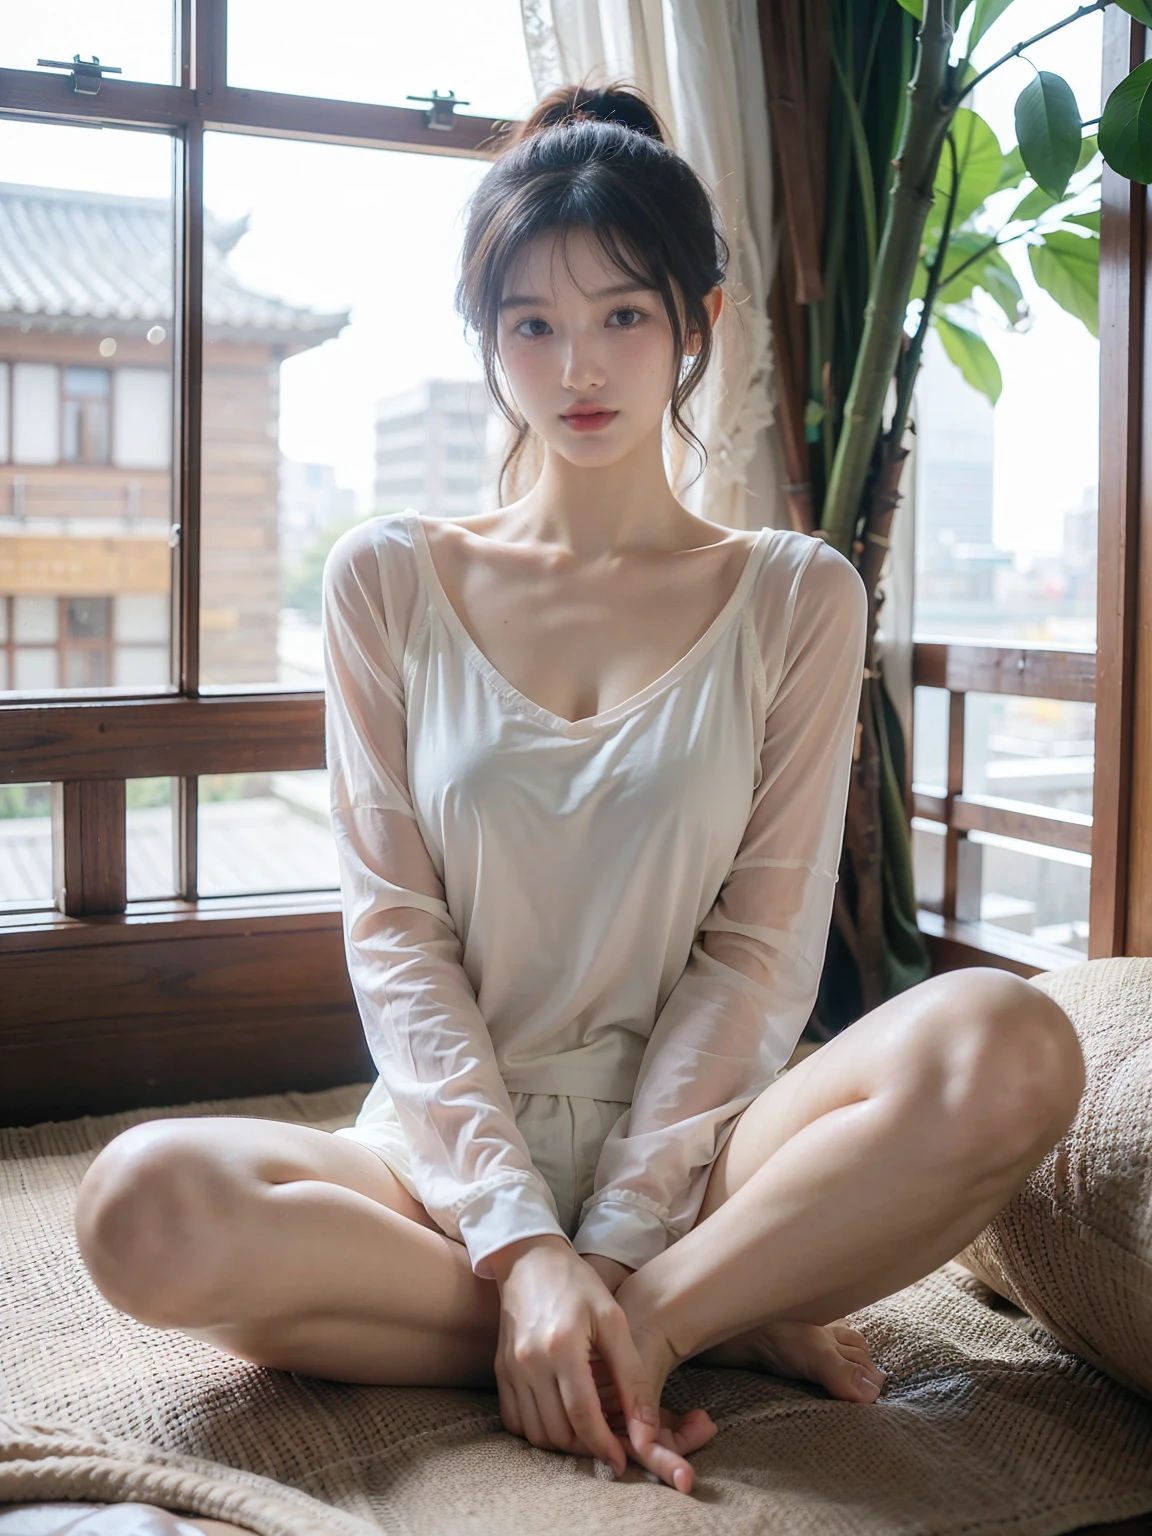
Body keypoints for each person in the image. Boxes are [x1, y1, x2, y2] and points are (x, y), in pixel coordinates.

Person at [74, 83, 1085, 1499]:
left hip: (719, 1151)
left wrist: (614, 1251)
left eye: (622, 314)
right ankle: (691, 1315)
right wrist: (521, 1240)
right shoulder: (391, 579)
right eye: (532, 324)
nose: (579, 366)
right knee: (139, 1210)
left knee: (1013, 1041)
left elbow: (758, 954)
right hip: (444, 1161)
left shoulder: (796, 596)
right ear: (487, 340)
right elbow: (396, 935)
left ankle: (654, 1319)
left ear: (697, 323)